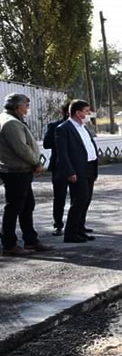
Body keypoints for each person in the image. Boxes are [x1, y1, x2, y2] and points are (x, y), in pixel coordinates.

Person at [0, 93, 53, 256]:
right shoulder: (11, 123)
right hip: (16, 171)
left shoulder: (9, 119)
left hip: (19, 170)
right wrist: (36, 163)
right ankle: (9, 245)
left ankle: (31, 240)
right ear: (17, 106)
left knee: (26, 206)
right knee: (14, 207)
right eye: (26, 105)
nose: (27, 108)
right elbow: (21, 148)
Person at [55, 99, 98, 243]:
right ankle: (70, 233)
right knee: (79, 201)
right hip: (77, 170)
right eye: (86, 111)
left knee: (86, 200)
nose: (88, 114)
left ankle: (80, 229)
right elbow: (63, 154)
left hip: (90, 167)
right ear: (78, 113)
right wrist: (70, 172)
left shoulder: (83, 127)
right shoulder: (64, 128)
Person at [43, 102, 70, 236]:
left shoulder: (81, 126)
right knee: (59, 197)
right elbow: (46, 144)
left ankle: (78, 225)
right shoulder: (54, 126)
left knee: (80, 197)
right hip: (59, 166)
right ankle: (58, 225)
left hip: (77, 167)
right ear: (66, 112)